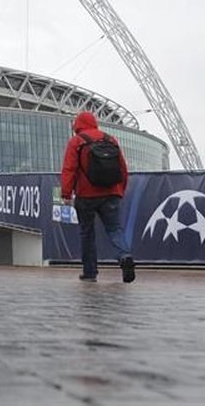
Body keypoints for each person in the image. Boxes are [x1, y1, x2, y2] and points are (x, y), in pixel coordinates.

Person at [61, 111, 136, 283]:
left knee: (87, 233)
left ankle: (90, 273)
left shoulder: (77, 141)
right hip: (111, 193)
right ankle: (124, 256)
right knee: (114, 229)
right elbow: (123, 168)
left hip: (86, 194)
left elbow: (69, 169)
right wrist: (120, 190)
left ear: (77, 125)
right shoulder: (110, 139)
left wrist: (66, 193)